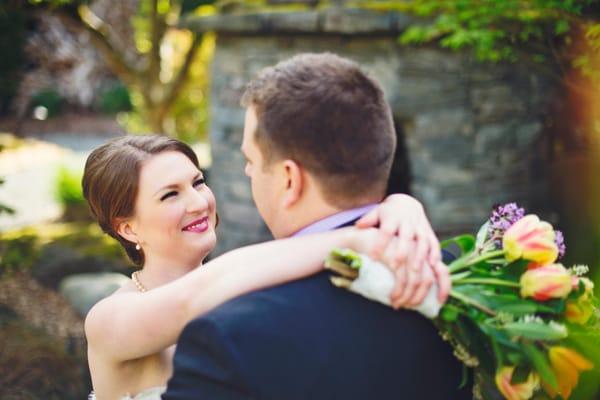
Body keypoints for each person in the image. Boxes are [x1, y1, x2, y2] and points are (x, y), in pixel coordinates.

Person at [163, 53, 470, 400]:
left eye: (251, 160)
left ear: (290, 180)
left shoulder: (228, 338)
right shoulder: (464, 281)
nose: (248, 172)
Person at [82, 134, 445, 400]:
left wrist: (398, 206)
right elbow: (189, 302)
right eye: (170, 194)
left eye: (198, 182)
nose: (198, 202)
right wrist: (352, 239)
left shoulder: (246, 285)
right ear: (127, 227)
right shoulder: (109, 319)